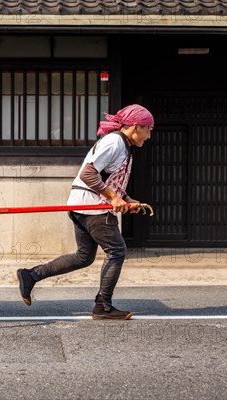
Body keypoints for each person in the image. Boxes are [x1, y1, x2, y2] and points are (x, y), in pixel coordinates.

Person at [16, 104, 155, 320]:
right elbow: (88, 174)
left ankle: (31, 275)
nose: (149, 135)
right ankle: (103, 307)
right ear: (136, 127)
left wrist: (125, 199)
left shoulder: (122, 144)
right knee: (117, 251)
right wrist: (113, 198)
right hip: (93, 208)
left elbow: (108, 177)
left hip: (83, 205)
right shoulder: (115, 142)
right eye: (149, 129)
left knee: (84, 257)